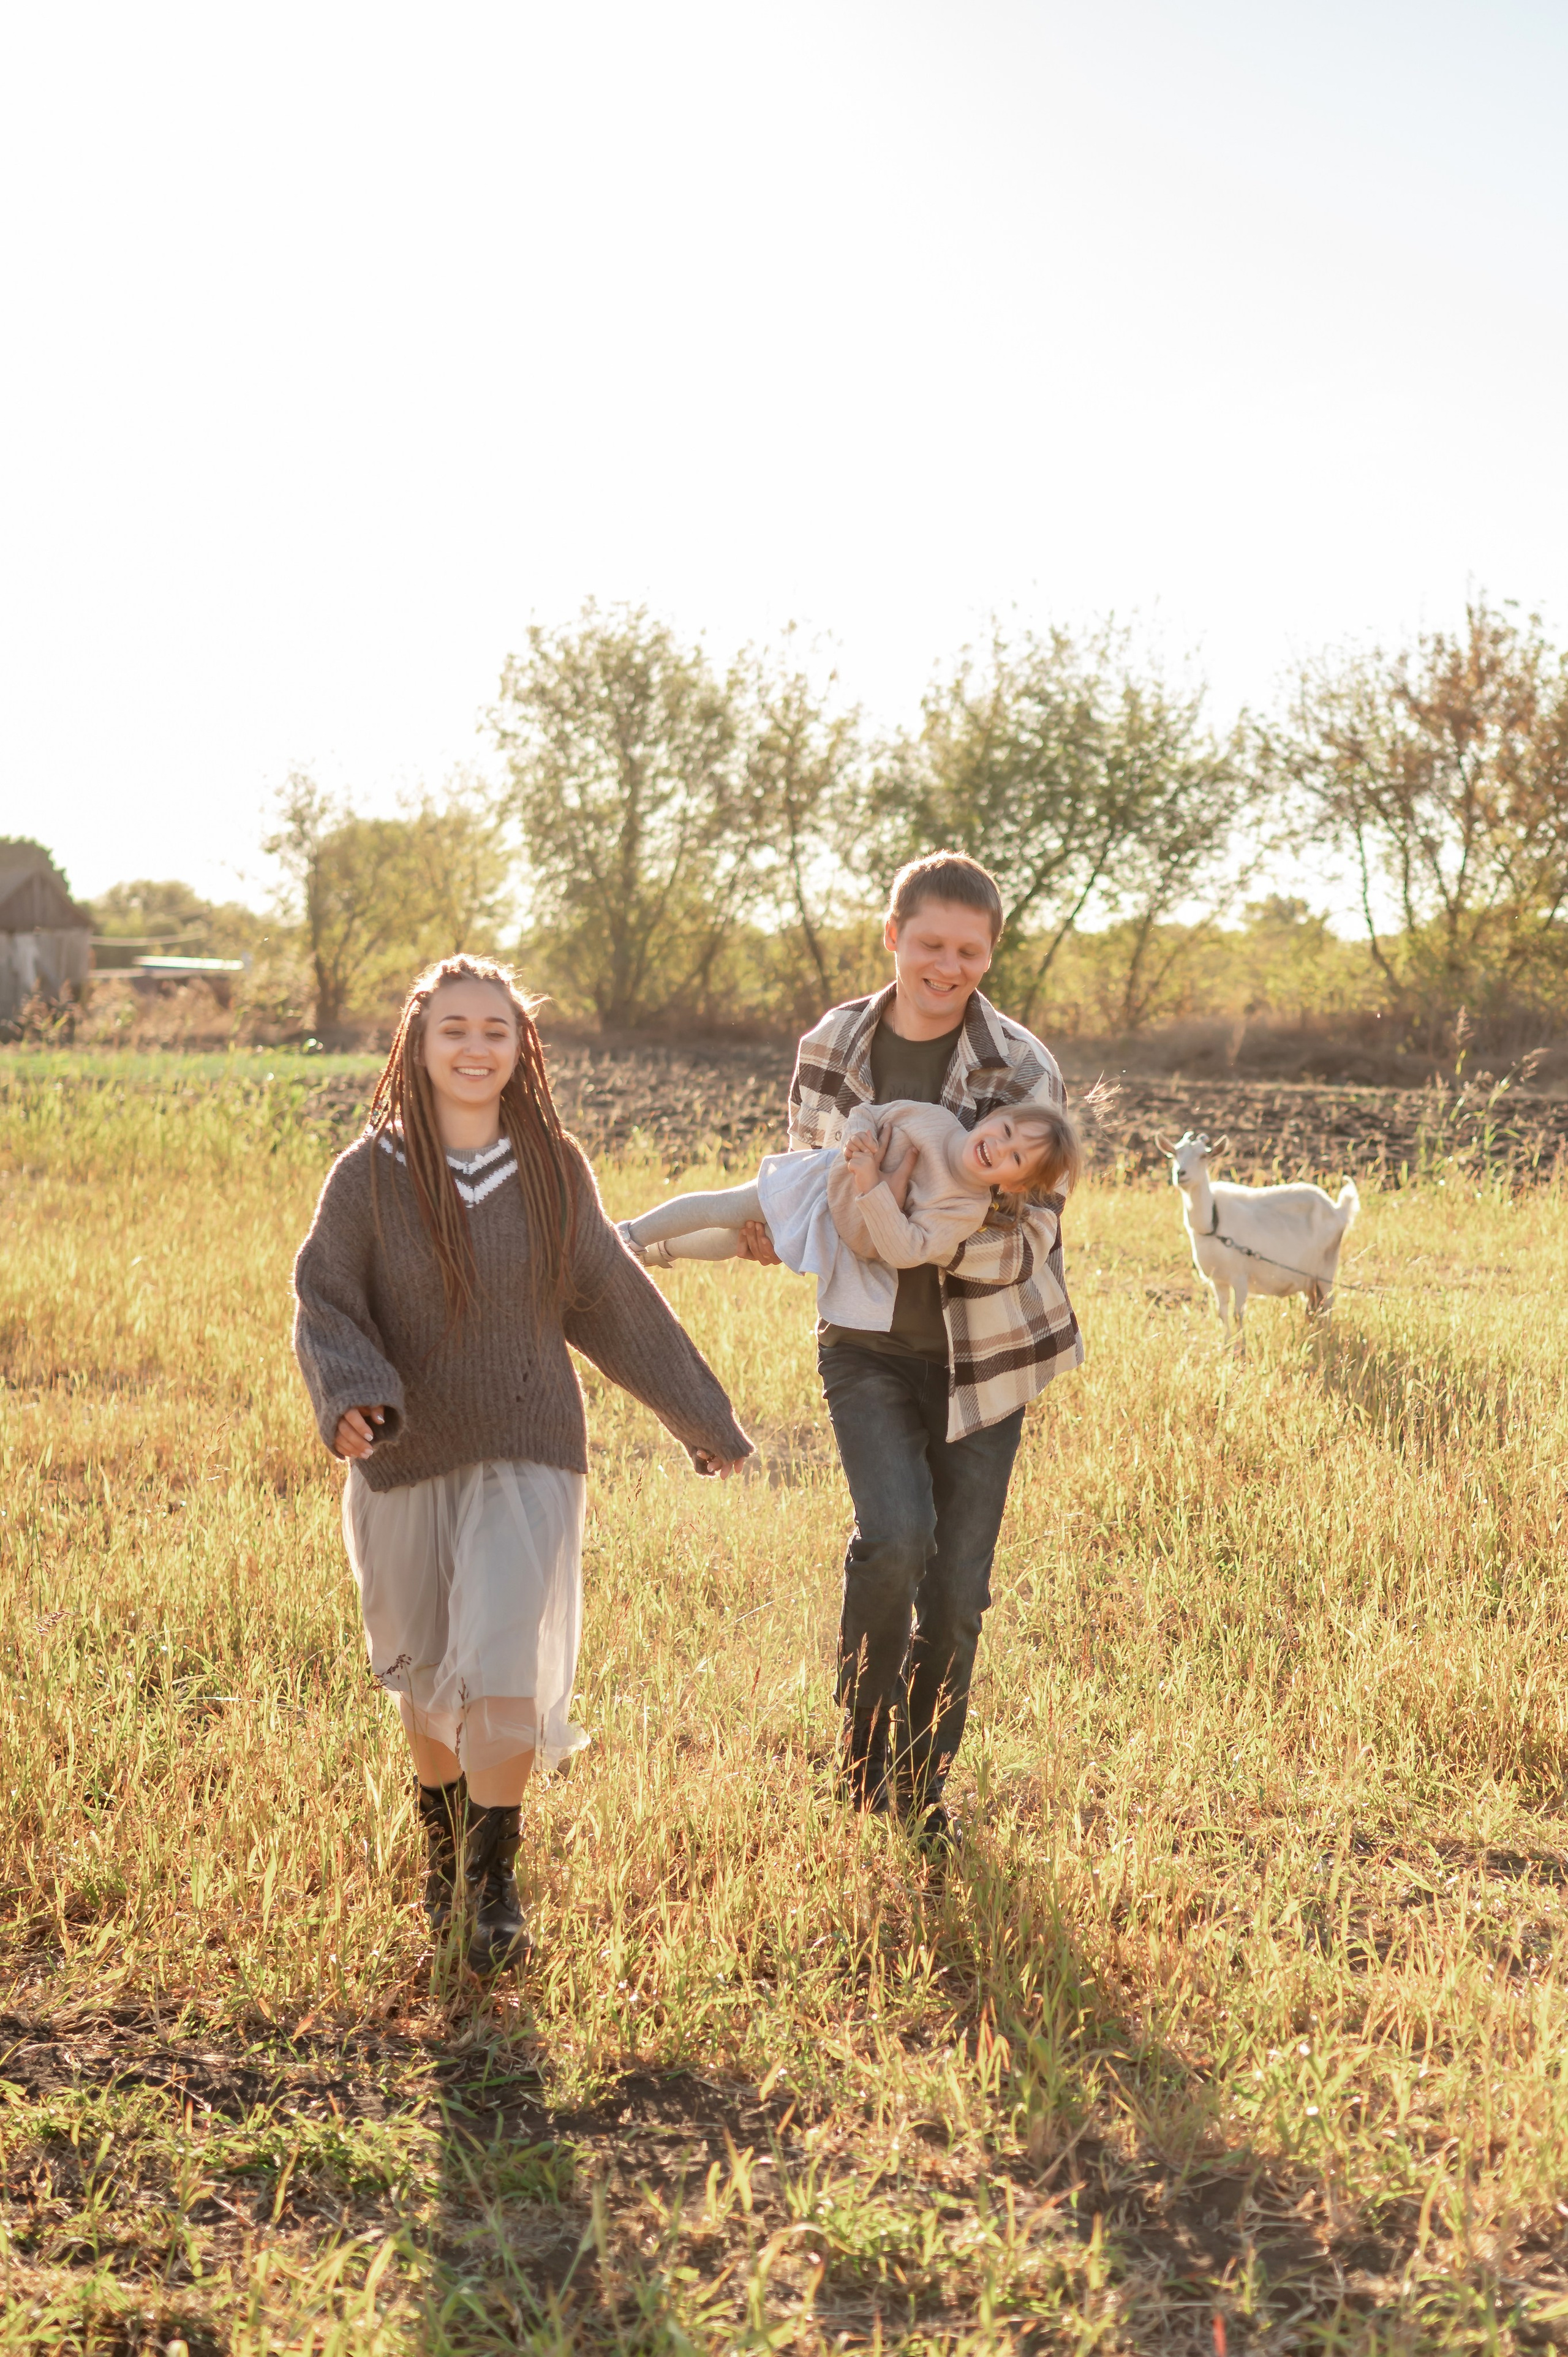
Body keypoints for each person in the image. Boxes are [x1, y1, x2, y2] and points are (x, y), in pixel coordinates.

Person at [292, 956, 752, 1974]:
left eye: (495, 1030)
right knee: (424, 1669)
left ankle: (495, 1881)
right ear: (418, 1043)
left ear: (521, 1047)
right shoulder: (370, 1173)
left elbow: (611, 1299)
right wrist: (352, 1393)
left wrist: (703, 1417)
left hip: (533, 1445)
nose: (474, 1046)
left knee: (503, 1665)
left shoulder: (553, 1166)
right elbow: (326, 1298)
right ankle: (444, 1853)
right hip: (408, 1453)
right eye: (453, 1027)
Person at [741, 851, 1084, 1844]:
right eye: (930, 943)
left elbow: (1032, 1233)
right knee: (892, 1539)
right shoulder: (830, 1043)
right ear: (892, 936)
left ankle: (919, 1790)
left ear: (991, 953)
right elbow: (808, 1186)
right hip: (866, 1345)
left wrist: (909, 1219)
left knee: (958, 1587)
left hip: (987, 1357)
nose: (947, 965)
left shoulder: (1021, 1064)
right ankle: (862, 1755)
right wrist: (809, 1221)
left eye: (969, 950)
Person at [617, 1098, 1082, 1349]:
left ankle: (659, 1252)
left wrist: (873, 1185)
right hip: (822, 1181)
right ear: (994, 1118)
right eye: (1004, 1133)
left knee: (734, 1243)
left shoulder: (965, 1209)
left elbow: (905, 1250)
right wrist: (858, 1133)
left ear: (1016, 1185)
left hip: (847, 1236)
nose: (999, 1148)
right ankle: (628, 1235)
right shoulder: (934, 1120)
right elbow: (869, 1111)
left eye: (1016, 1157)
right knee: (726, 1208)